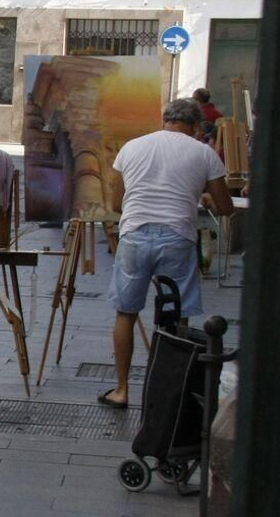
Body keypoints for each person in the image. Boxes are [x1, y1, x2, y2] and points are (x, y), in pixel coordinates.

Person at [99, 98, 233, 408]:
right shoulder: (204, 153)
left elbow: (118, 203)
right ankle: (170, 392)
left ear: (165, 120)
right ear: (196, 126)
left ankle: (121, 390)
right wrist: (205, 199)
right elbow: (225, 206)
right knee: (177, 317)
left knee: (126, 313)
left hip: (134, 234)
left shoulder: (131, 147)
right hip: (177, 236)